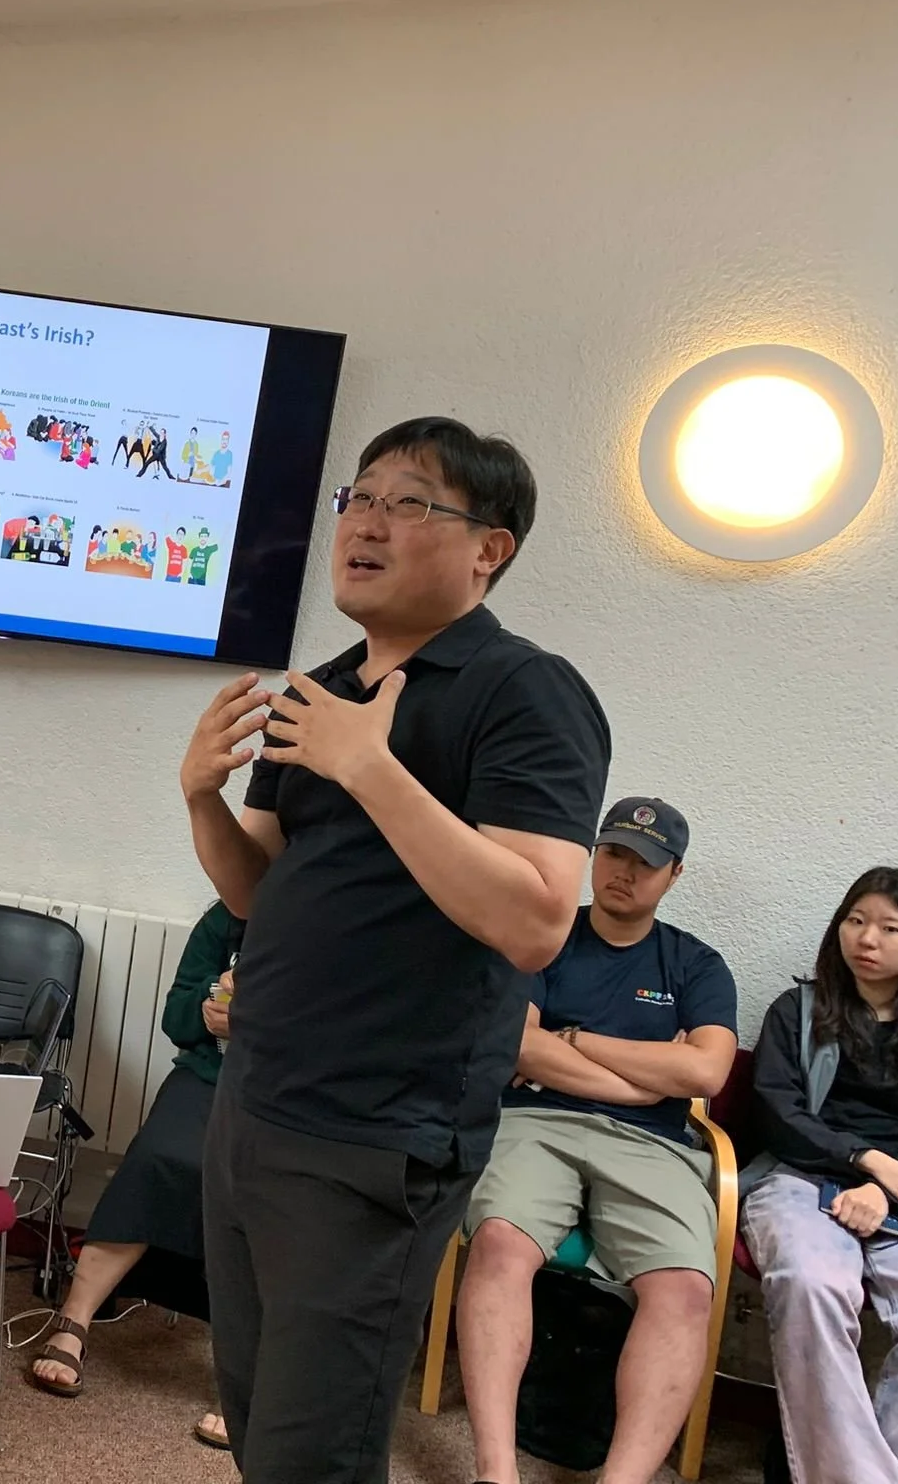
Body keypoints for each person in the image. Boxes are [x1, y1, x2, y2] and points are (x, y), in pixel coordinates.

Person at [181, 416, 610, 1481]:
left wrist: (371, 769)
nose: (365, 523)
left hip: (374, 1133)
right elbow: (257, 890)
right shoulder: (324, 687)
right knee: (255, 1414)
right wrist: (199, 798)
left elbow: (533, 918)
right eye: (357, 498)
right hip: (254, 1101)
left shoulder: (525, 690)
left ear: (487, 549)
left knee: (311, 1453)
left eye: (408, 502)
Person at [458, 797, 737, 1484]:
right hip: (535, 1123)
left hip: (653, 1147)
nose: (624, 871)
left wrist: (575, 1039)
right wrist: (643, 1081)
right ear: (593, 855)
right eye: (613, 852)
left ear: (674, 874)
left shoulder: (695, 965)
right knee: (498, 1242)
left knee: (683, 1291)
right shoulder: (544, 937)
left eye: (646, 862)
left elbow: (704, 1069)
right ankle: (496, 1471)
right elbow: (516, 1046)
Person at [741, 867, 898, 1484]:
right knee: (813, 1284)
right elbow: (777, 1114)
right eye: (856, 920)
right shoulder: (797, 1012)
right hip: (800, 1176)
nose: (866, 939)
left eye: (889, 927)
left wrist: (882, 1186)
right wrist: (863, 1159)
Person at [28, 901, 242, 1450]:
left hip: (298, 1097)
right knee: (160, 1158)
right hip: (210, 1077)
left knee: (265, 1193)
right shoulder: (229, 916)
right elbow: (176, 1018)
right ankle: (74, 1320)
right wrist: (208, 1009)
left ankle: (249, 1377)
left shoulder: (339, 919)